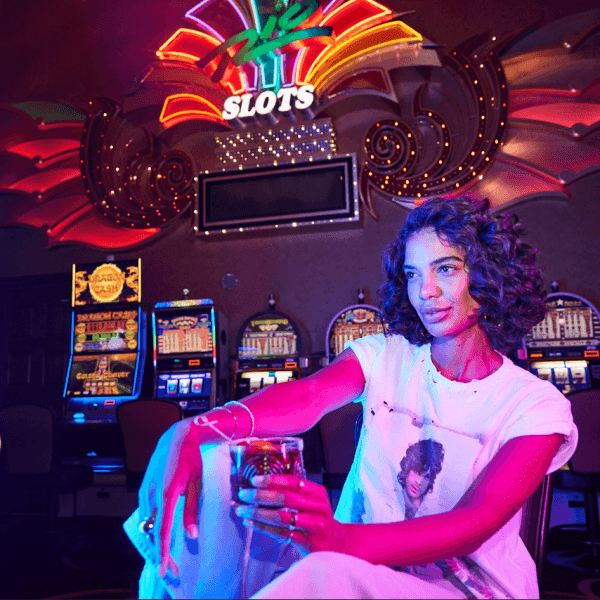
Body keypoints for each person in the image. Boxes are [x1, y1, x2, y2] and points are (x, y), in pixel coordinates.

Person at [126, 196, 577, 599]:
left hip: (462, 588)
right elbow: (308, 396)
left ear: (488, 272)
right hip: (351, 560)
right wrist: (192, 428)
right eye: (413, 274)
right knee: (216, 465)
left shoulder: (534, 403)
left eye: (446, 269)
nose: (425, 291)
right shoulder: (388, 355)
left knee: (325, 572)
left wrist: (341, 540)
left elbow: (475, 523)